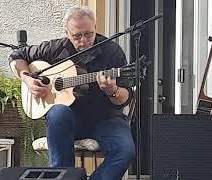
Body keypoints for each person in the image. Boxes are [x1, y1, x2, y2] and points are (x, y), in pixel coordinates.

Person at [9, 5, 135, 180]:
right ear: (67, 33)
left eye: (88, 34)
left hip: (106, 118)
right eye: (77, 36)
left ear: (95, 28)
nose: (83, 40)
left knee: (125, 151)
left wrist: (112, 90)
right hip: (69, 120)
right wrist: (28, 79)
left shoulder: (111, 52)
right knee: (58, 112)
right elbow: (17, 57)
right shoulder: (55, 48)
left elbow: (125, 97)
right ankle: (64, 176)